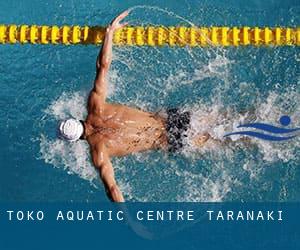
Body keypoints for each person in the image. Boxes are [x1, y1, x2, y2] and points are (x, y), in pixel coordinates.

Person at [58, 11, 210, 202]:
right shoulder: (95, 105)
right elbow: (103, 66)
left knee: (228, 141)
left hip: (171, 140)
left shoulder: (99, 152)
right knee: (226, 118)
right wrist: (109, 33)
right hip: (172, 118)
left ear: (76, 140)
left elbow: (112, 189)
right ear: (76, 119)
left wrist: (129, 221)